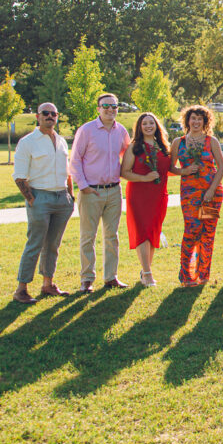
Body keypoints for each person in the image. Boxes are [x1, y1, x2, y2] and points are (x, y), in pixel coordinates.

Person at [12, 103, 75, 303]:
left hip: (62, 198)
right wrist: (32, 200)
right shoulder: (27, 142)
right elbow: (19, 176)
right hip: (40, 197)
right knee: (35, 243)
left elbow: (67, 171)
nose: (50, 116)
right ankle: (21, 289)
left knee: (53, 244)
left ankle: (48, 284)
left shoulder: (61, 141)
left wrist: (70, 196)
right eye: (45, 113)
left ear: (57, 116)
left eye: (53, 113)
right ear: (38, 117)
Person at [69, 92, 131, 293]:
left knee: (112, 236)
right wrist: (83, 186)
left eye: (114, 106)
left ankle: (111, 277)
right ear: (98, 109)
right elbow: (75, 160)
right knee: (88, 237)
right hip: (90, 192)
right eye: (106, 106)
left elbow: (129, 155)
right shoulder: (86, 130)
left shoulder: (121, 131)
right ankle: (87, 279)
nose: (110, 109)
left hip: (113, 191)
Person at [121, 112, 187, 287]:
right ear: (139, 127)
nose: (148, 126)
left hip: (159, 196)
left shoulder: (163, 147)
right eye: (145, 123)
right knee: (142, 232)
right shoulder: (134, 147)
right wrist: (145, 178)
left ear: (157, 126)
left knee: (152, 233)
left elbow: (168, 169)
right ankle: (148, 273)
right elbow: (124, 172)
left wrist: (186, 171)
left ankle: (145, 271)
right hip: (139, 195)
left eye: (151, 123)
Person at [171, 105, 223, 286]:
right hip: (189, 194)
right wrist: (184, 171)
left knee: (207, 234)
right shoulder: (178, 142)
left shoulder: (212, 141)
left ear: (205, 122)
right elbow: (171, 167)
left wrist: (211, 191)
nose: (196, 122)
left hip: (211, 195)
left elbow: (221, 168)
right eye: (193, 118)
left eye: (199, 119)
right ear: (187, 121)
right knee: (192, 230)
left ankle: (203, 274)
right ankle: (186, 275)